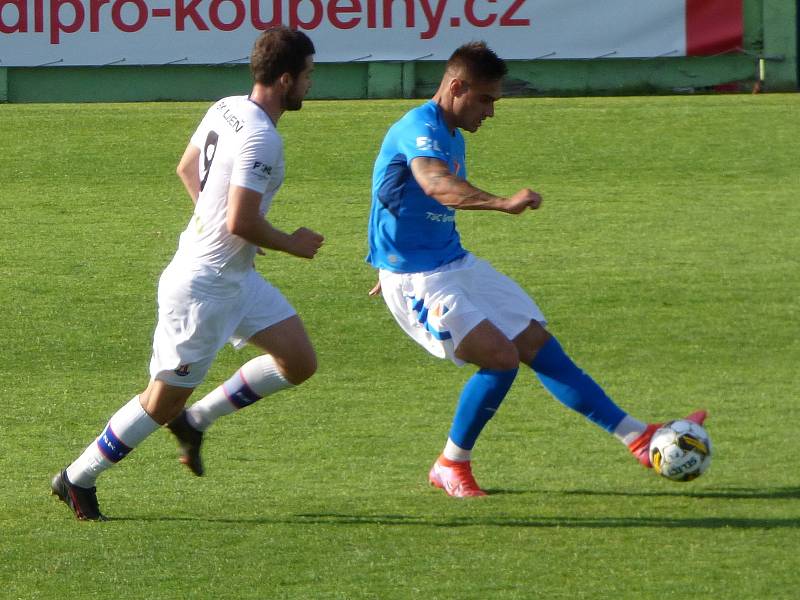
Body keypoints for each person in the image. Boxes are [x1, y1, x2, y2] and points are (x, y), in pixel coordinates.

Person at [367, 41, 707, 498]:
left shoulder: (452, 135)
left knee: (534, 341)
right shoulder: (418, 127)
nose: (490, 111)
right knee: (501, 358)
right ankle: (451, 463)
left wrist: (382, 252)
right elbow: (433, 184)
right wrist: (501, 203)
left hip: (453, 263)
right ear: (456, 86)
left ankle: (638, 438)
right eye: (486, 99)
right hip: (419, 279)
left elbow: (392, 196)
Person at [51, 26, 323, 520]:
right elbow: (241, 220)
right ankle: (76, 476)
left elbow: (186, 168)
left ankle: (198, 421)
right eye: (307, 75)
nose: (310, 84)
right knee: (160, 404)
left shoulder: (227, 106)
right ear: (285, 79)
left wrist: (215, 222)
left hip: (235, 277)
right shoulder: (262, 138)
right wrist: (291, 243)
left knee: (299, 361)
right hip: (204, 289)